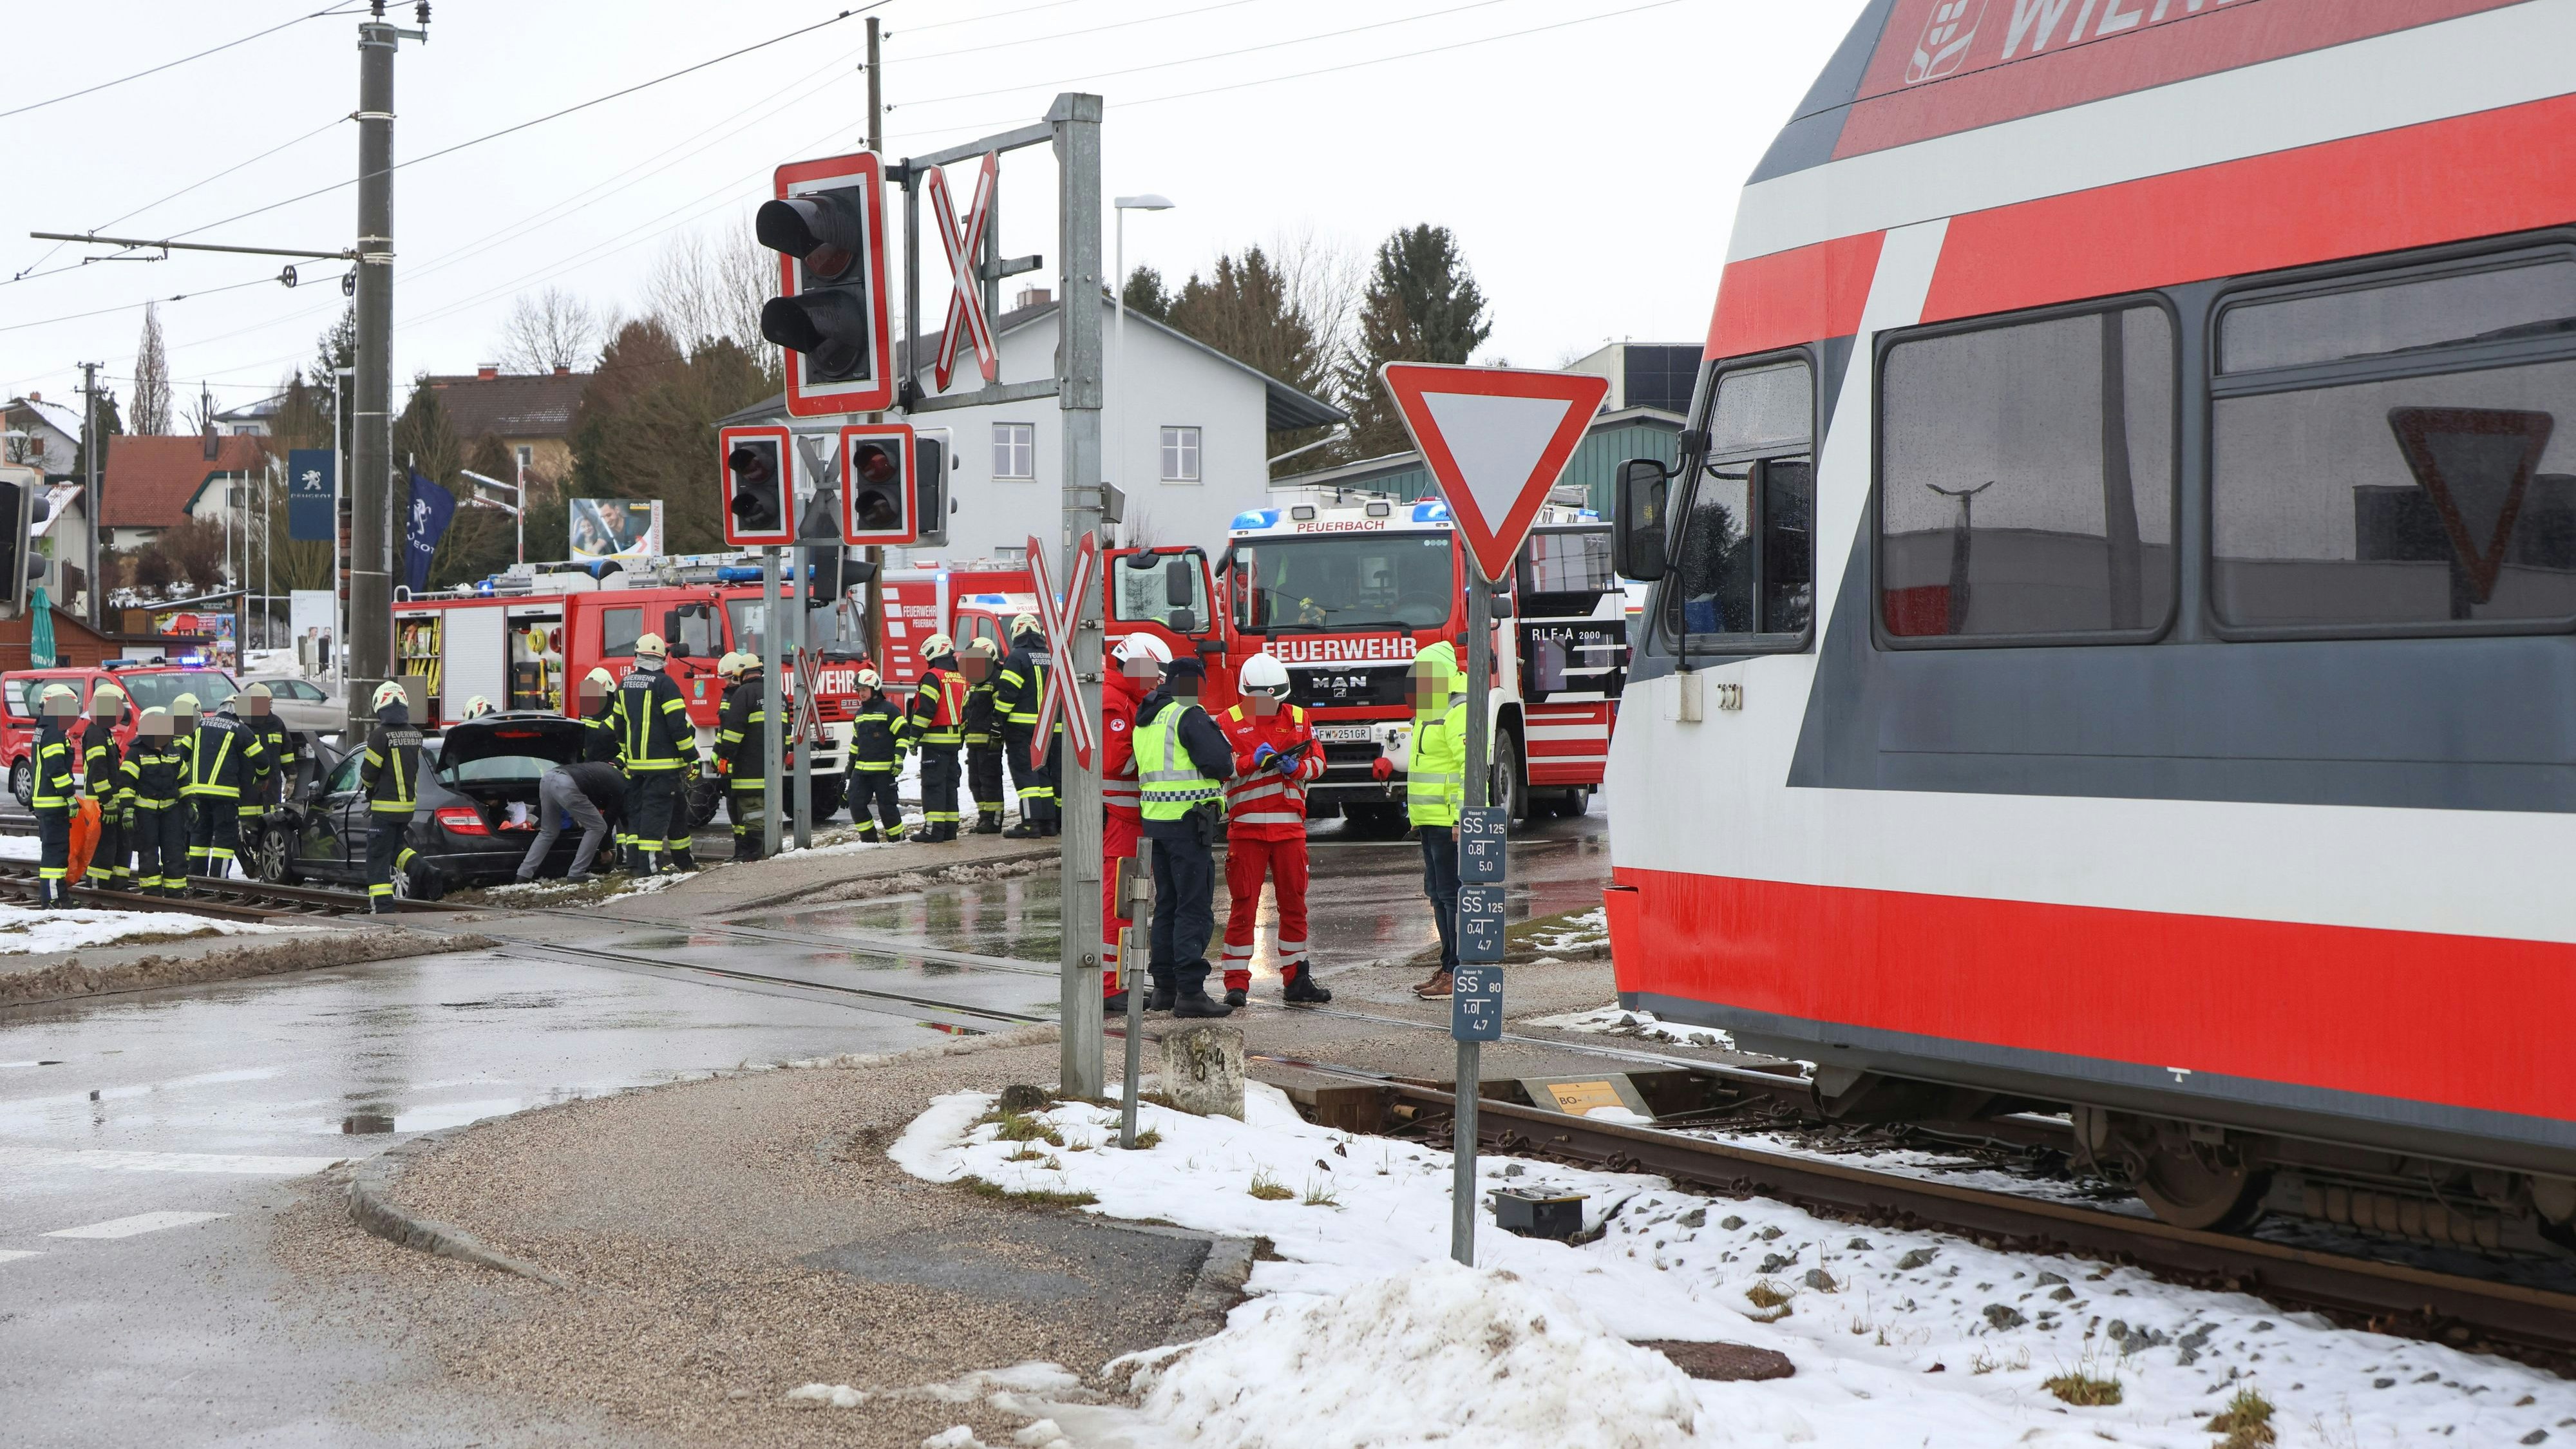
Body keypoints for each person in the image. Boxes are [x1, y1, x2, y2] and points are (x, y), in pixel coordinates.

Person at [1217, 652, 1331, 1007]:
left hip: (1289, 831)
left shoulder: (1299, 718)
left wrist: (1295, 767)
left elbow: (1319, 765)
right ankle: (1236, 984)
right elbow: (1219, 769)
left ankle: (1296, 979)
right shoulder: (1226, 722)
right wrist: (1252, 762)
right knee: (1243, 907)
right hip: (1247, 831)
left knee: (1294, 905)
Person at [1135, 654, 1236, 1018]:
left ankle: (1165, 989)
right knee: (1193, 908)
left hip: (1156, 824)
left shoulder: (1146, 717)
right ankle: (1191, 993)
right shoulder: (1186, 714)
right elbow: (1221, 764)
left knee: (1167, 907)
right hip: (1188, 824)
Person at [1379, 641, 1466, 998]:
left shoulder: (1457, 710)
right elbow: (1424, 767)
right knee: (1438, 896)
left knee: (1450, 896)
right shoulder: (1431, 711)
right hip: (1431, 821)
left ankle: (1457, 970)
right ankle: (1449, 965)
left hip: (1450, 823)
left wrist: (1465, 819)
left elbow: (1469, 769)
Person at [1099, 633, 1169, 1012]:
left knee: (1132, 902)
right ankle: (1111, 986)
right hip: (1122, 822)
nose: (1159, 682)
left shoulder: (1128, 699)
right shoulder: (1114, 702)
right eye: (1154, 675)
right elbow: (1117, 761)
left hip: (1133, 820)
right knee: (1119, 904)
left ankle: (1122, 981)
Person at [611, 633, 700, 874]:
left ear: (637, 656)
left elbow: (619, 727)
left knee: (650, 813)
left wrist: (628, 758)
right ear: (663, 657)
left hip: (637, 768)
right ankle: (648, 869)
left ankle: (681, 862)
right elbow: (678, 727)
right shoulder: (666, 684)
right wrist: (692, 758)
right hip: (664, 768)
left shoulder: (624, 684)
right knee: (655, 817)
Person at [182, 690, 268, 886]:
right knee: (224, 840)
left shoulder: (199, 725)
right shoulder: (239, 729)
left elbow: (181, 755)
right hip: (225, 797)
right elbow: (262, 760)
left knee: (199, 838)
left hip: (197, 795)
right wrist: (262, 778)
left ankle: (197, 879)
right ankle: (217, 883)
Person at [358, 679, 423, 913]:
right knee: (395, 848)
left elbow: (369, 772)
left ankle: (383, 907)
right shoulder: (415, 734)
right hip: (407, 808)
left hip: (385, 808)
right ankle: (424, 871)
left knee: (377, 856)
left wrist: (368, 788)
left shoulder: (380, 735)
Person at [994, 613, 1059, 838]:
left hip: (1022, 729)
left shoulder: (1017, 657)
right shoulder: (1051, 656)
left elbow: (1007, 694)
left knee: (1027, 776)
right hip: (1051, 729)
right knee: (1044, 777)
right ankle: (1049, 824)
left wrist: (998, 719)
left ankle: (1031, 823)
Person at [904, 634, 969, 842]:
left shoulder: (933, 677)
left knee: (933, 786)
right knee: (950, 786)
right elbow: (965, 713)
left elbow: (926, 710)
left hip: (935, 743)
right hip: (953, 743)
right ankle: (949, 830)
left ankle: (933, 831)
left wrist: (914, 737)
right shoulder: (960, 677)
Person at [515, 759, 622, 883]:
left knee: (548, 831)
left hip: (548, 778)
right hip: (567, 784)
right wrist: (605, 850)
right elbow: (608, 822)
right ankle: (577, 873)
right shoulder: (622, 790)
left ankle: (523, 875)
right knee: (597, 827)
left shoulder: (607, 774)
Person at [120, 709, 189, 897]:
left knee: (175, 850)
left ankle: (175, 891)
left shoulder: (173, 751)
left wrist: (191, 804)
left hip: (171, 812)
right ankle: (152, 892)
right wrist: (127, 809)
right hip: (145, 813)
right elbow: (127, 783)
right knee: (148, 852)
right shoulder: (135, 753)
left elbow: (184, 779)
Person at [714, 650, 772, 861]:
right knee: (750, 809)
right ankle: (746, 850)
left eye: (731, 677)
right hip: (767, 765)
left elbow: (732, 731)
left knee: (749, 808)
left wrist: (724, 756)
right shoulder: (775, 692)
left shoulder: (742, 695)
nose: (730, 682)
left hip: (744, 765)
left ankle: (751, 852)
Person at [233, 683, 292, 876]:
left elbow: (286, 754)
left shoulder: (277, 724)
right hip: (247, 787)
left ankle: (264, 865)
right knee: (246, 829)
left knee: (270, 826)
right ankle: (250, 862)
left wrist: (291, 778)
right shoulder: (241, 726)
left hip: (272, 787)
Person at [30, 684, 78, 906]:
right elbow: (56, 769)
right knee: (55, 854)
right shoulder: (53, 733)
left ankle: (58, 898)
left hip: (46, 801)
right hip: (53, 802)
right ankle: (53, 901)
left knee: (56, 852)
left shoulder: (44, 729)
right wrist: (69, 795)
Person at [848, 668, 907, 842]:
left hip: (884, 771)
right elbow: (855, 742)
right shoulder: (859, 714)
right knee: (856, 804)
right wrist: (849, 770)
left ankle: (897, 840)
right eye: (859, 690)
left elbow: (903, 734)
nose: (861, 694)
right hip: (861, 772)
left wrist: (899, 758)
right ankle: (869, 841)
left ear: (874, 689)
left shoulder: (889, 710)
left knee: (887, 808)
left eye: (864, 689)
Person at [83, 683, 129, 891]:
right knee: (103, 847)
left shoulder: (104, 732)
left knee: (117, 845)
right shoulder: (95, 733)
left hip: (111, 802)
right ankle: (98, 887)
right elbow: (98, 771)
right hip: (101, 804)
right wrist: (107, 801)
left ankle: (116, 886)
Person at [959, 637, 1006, 835]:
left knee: (990, 781)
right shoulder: (976, 683)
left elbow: (1000, 710)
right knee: (975, 782)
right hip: (974, 742)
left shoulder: (996, 680)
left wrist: (996, 733)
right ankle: (984, 817)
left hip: (990, 742)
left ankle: (994, 821)